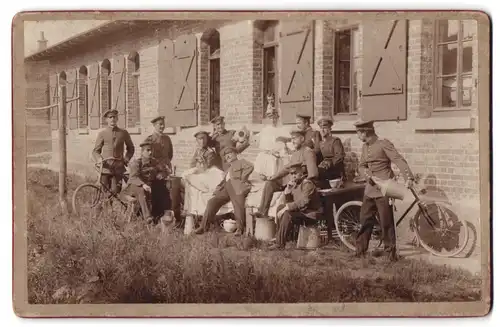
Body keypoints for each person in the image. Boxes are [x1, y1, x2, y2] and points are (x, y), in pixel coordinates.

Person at [354, 120, 415, 261]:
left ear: (365, 132)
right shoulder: (365, 146)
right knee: (365, 220)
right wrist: (367, 174)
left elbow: (398, 160)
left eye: (358, 132)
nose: (358, 135)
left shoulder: (383, 143)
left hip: (385, 188)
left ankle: (390, 254)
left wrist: (408, 177)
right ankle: (360, 251)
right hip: (370, 189)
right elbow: (361, 165)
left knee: (386, 222)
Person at [253, 129, 318, 218]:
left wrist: (301, 184)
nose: (292, 141)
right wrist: (274, 177)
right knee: (270, 184)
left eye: (295, 138)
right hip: (291, 181)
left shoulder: (308, 152)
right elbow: (286, 168)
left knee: (282, 202)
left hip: (300, 184)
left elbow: (313, 174)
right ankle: (263, 212)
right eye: (291, 139)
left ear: (302, 138)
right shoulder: (295, 153)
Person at [193, 147, 254, 236]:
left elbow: (250, 167)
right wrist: (218, 188)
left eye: (230, 153)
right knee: (212, 201)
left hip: (236, 186)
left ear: (236, 154)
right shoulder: (228, 169)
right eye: (226, 155)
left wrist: (242, 178)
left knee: (237, 203)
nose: (228, 156)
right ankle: (203, 226)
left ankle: (240, 229)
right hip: (226, 188)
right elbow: (224, 181)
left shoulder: (241, 162)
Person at [269, 163, 323, 250]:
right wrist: (287, 193)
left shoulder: (307, 184)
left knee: (287, 214)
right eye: (291, 174)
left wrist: (287, 207)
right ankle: (280, 237)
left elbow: (304, 202)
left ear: (301, 173)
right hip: (302, 212)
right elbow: (292, 203)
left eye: (295, 173)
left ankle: (279, 243)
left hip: (311, 213)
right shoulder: (295, 184)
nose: (293, 176)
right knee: (280, 207)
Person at [181, 130, 228, 216]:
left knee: (196, 183)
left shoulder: (210, 152)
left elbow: (206, 168)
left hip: (210, 173)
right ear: (197, 140)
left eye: (204, 139)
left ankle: (197, 210)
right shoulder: (198, 151)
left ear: (207, 140)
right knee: (185, 177)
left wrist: (199, 166)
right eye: (199, 139)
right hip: (200, 172)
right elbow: (192, 164)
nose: (202, 141)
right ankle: (189, 208)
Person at [121, 140, 169, 224]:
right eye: (148, 150)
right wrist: (143, 184)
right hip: (133, 187)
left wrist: (161, 174)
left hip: (149, 187)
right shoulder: (136, 163)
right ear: (142, 152)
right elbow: (133, 177)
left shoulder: (154, 162)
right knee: (141, 190)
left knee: (163, 189)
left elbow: (165, 170)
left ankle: (164, 215)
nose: (150, 152)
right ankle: (148, 217)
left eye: (151, 150)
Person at [92, 109, 135, 196]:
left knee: (116, 191)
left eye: (114, 117)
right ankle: (104, 207)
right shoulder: (102, 134)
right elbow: (96, 151)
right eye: (110, 117)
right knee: (104, 192)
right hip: (105, 168)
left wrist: (126, 159)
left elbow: (131, 148)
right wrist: (99, 159)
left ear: (117, 118)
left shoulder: (123, 133)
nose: (112, 119)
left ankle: (112, 207)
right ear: (106, 120)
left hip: (118, 168)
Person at [253, 94, 293, 181]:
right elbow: (261, 142)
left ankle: (274, 176)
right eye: (270, 118)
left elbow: (286, 141)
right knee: (262, 157)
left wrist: (279, 150)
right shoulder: (266, 129)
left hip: (278, 153)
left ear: (277, 118)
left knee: (273, 161)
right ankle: (264, 174)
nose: (273, 120)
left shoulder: (281, 129)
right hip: (268, 153)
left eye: (274, 118)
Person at [143, 115, 174, 217]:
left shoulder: (167, 139)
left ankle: (167, 215)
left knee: (169, 193)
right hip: (154, 173)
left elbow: (170, 155)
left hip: (165, 171)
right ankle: (156, 216)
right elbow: (147, 158)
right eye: (159, 124)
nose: (162, 126)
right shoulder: (150, 139)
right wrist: (157, 170)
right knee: (157, 193)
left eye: (163, 124)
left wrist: (166, 169)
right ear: (154, 125)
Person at [316, 116, 346, 189]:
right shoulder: (320, 143)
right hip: (324, 172)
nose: (322, 130)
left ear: (330, 129)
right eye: (321, 128)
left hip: (335, 172)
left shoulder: (335, 141)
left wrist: (329, 163)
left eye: (325, 128)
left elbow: (339, 156)